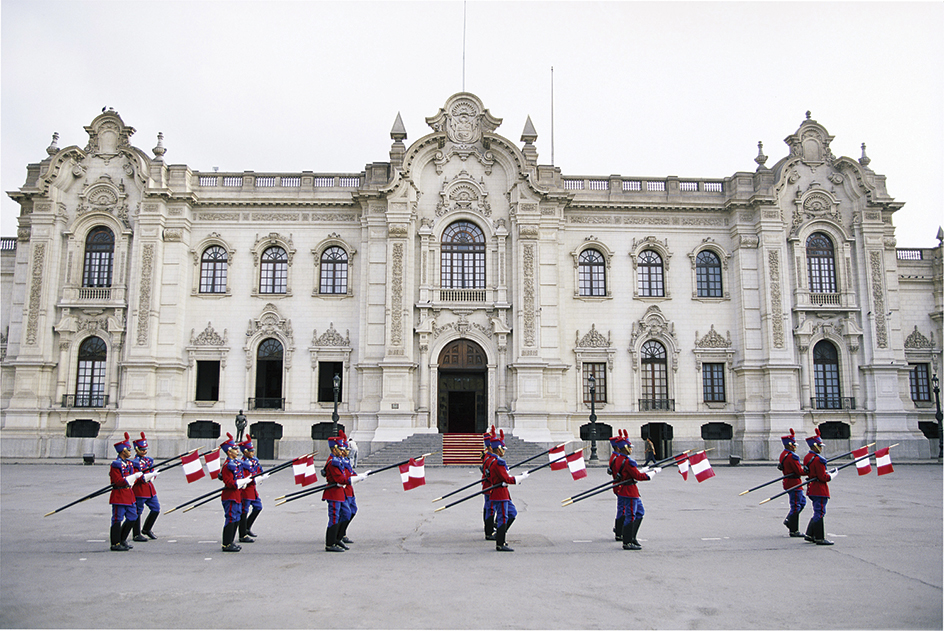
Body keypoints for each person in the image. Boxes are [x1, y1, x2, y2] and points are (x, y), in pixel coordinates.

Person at [610, 429, 660, 550]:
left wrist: (642, 470)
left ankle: (632, 537)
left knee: (639, 512)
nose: (631, 449)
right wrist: (651, 474)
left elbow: (628, 473)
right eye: (630, 447)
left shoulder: (618, 458)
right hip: (629, 491)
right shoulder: (628, 461)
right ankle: (627, 541)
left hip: (626, 489)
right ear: (625, 448)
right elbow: (637, 476)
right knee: (631, 515)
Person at [485, 429, 528, 552]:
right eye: (502, 449)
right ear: (498, 449)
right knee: (503, 517)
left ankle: (500, 535)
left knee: (511, 513)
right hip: (500, 494)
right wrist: (521, 478)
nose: (504, 451)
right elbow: (506, 479)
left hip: (501, 493)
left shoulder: (495, 461)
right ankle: (500, 543)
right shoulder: (498, 462)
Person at [322, 432, 365, 552]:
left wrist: (357, 477)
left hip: (341, 492)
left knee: (346, 513)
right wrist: (353, 479)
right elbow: (340, 479)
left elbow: (347, 473)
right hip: (334, 493)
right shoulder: (333, 461)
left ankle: (338, 538)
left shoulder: (339, 460)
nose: (343, 451)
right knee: (335, 518)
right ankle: (330, 543)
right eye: (340, 449)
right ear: (334, 449)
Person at [803, 428, 838, 546]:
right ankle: (819, 537)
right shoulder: (819, 459)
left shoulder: (808, 457)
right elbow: (822, 477)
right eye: (820, 446)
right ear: (815, 446)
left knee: (817, 511)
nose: (821, 448)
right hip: (819, 489)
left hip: (812, 487)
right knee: (820, 512)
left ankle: (809, 534)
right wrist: (831, 476)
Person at [108, 433, 141, 551]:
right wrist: (131, 478)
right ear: (123, 451)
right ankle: (115, 543)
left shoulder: (129, 463)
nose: (130, 452)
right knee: (117, 519)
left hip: (129, 494)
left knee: (133, 517)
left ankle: (122, 539)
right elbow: (118, 481)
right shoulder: (116, 464)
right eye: (128, 450)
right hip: (119, 494)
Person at [220, 433, 249, 552]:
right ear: (229, 452)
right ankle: (226, 544)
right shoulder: (228, 465)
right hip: (230, 496)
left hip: (237, 495)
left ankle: (231, 541)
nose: (238, 451)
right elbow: (229, 482)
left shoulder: (236, 463)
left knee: (236, 518)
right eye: (235, 449)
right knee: (231, 518)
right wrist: (240, 482)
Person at [130, 432, 161, 542]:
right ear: (137, 449)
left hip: (150, 489)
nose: (144, 451)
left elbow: (152, 471)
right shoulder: (134, 462)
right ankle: (136, 533)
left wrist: (152, 476)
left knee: (156, 509)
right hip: (139, 490)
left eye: (145, 449)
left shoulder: (149, 460)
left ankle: (147, 529)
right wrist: (145, 477)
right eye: (142, 449)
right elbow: (135, 477)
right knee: (138, 512)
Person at [778, 428, 806, 537]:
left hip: (790, 482)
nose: (795, 447)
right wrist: (809, 471)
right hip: (794, 483)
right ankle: (794, 530)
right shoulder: (793, 456)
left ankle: (789, 520)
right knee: (796, 506)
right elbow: (799, 471)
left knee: (802, 503)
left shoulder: (783, 454)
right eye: (794, 445)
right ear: (790, 445)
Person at [238, 438, 267, 543]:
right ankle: (242, 534)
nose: (253, 453)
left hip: (253, 490)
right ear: (245, 452)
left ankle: (247, 527)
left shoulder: (254, 461)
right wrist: (255, 479)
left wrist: (262, 477)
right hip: (246, 491)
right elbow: (243, 478)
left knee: (258, 507)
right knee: (244, 511)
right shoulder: (242, 463)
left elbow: (258, 471)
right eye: (251, 451)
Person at [481, 426, 497, 540]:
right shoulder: (491, 458)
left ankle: (489, 527)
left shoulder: (488, 456)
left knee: (488, 507)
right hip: (490, 486)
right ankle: (489, 531)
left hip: (488, 486)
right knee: (490, 508)